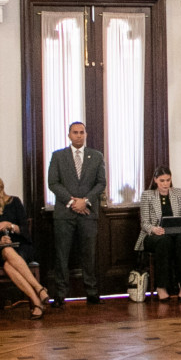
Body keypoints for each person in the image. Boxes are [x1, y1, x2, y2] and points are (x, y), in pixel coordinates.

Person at [47, 122, 105, 304]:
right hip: (64, 214)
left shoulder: (96, 156)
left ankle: (92, 292)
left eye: (81, 132)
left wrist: (85, 201)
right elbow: (53, 182)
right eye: (75, 132)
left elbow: (101, 183)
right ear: (69, 135)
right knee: (62, 255)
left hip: (88, 213)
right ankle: (60, 294)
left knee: (89, 254)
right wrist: (73, 202)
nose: (79, 135)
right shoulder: (58, 156)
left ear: (85, 134)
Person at [0, 174, 49, 317]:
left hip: (20, 246)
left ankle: (37, 302)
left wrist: (10, 225)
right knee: (6, 250)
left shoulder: (15, 202)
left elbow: (24, 230)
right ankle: (39, 289)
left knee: (8, 265)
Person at [137, 166, 181, 301]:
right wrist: (154, 229)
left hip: (175, 232)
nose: (165, 184)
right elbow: (144, 223)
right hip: (154, 235)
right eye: (162, 181)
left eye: (168, 180)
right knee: (164, 242)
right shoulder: (147, 195)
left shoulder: (179, 193)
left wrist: (180, 227)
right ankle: (161, 287)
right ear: (155, 180)